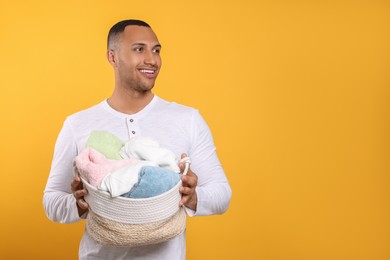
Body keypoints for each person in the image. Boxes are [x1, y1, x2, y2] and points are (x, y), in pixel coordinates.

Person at [43, 19, 232, 260]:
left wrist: (192, 196)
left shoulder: (188, 119)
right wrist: (79, 204)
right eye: (139, 49)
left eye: (156, 50)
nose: (152, 60)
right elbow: (51, 202)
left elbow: (222, 194)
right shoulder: (77, 124)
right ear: (112, 57)